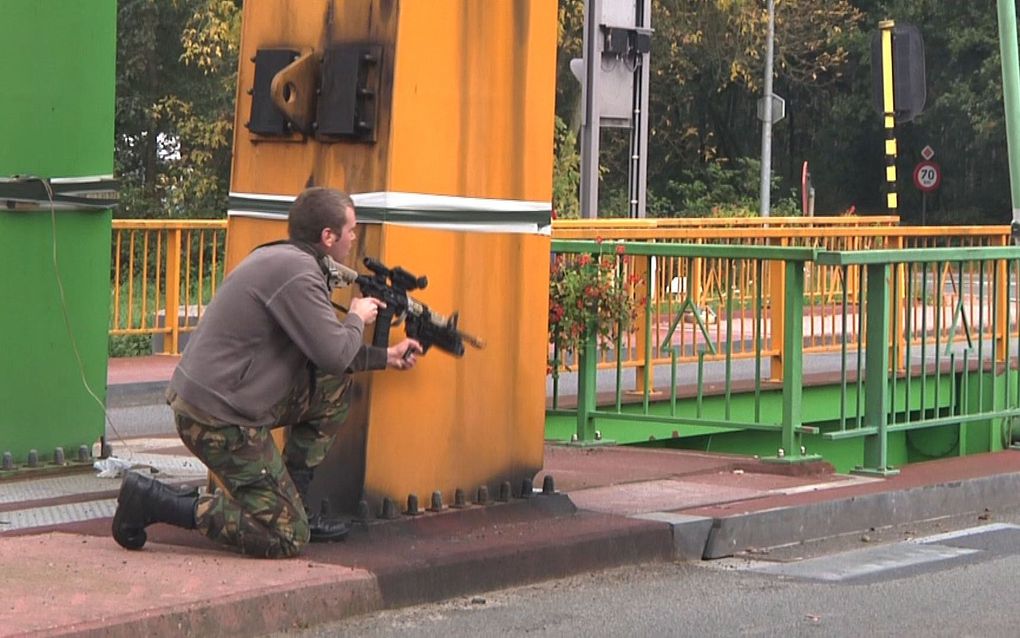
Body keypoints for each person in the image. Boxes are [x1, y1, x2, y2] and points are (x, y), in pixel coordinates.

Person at [111, 187, 421, 558]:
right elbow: (336, 353)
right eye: (351, 230)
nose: (354, 238)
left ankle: (294, 500)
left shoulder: (288, 260)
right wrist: (356, 316)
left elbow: (326, 358)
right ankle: (154, 502)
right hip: (216, 418)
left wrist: (386, 356)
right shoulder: (299, 274)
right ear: (328, 236)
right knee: (288, 536)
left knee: (332, 388)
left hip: (229, 399)